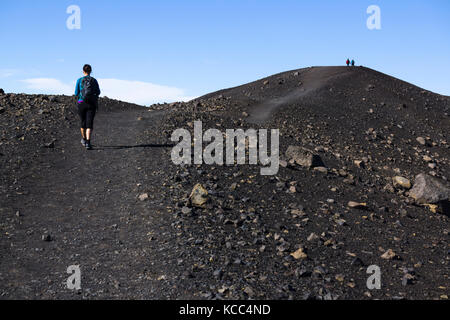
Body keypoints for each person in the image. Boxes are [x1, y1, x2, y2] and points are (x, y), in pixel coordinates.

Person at [74, 64, 101, 150]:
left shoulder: (79, 80)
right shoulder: (94, 80)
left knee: (83, 122)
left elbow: (76, 93)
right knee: (89, 124)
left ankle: (84, 139)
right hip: (91, 104)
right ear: (90, 71)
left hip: (81, 102)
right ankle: (88, 143)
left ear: (83, 71)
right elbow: (98, 92)